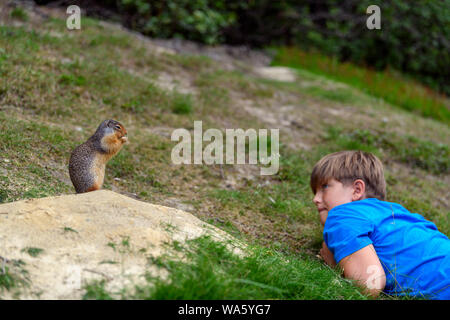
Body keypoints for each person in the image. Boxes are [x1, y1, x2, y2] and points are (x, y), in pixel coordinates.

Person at [310, 150, 450, 299]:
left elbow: (370, 285)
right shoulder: (394, 213)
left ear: (357, 190)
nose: (316, 199)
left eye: (324, 187)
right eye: (315, 192)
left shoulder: (342, 215)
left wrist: (334, 265)